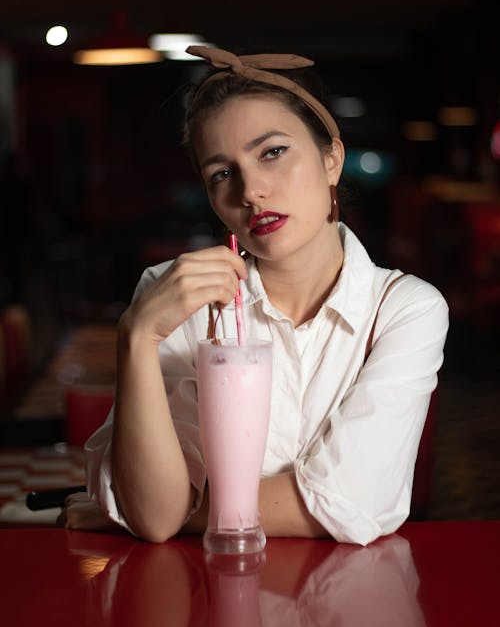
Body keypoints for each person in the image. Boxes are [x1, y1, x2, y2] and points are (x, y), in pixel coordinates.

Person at [62, 46, 448, 545]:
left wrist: (177, 513)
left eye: (273, 152)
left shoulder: (403, 308)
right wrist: (136, 334)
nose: (250, 191)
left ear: (332, 159)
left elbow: (354, 501)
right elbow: (156, 518)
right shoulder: (176, 299)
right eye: (221, 174)